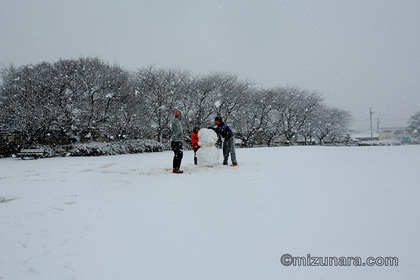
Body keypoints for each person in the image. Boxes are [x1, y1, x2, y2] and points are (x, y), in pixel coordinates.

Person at [171, 109, 184, 173]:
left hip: (176, 140)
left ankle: (176, 168)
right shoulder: (176, 121)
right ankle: (176, 168)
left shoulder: (176, 121)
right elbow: (179, 131)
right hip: (176, 141)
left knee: (178, 154)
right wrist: (179, 137)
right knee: (179, 154)